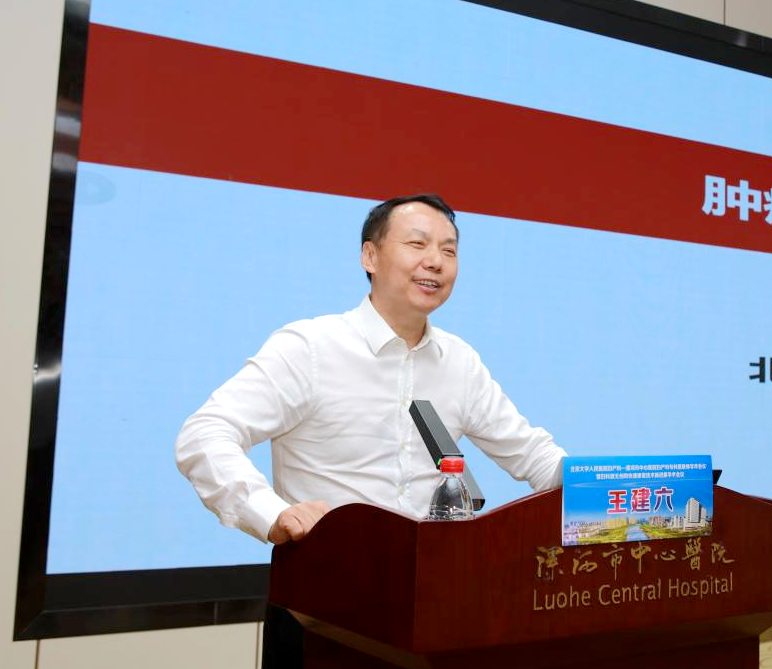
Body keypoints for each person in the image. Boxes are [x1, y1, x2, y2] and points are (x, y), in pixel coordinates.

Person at [175, 194, 567, 668]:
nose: (435, 261)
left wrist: (609, 489)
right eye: (417, 244)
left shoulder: (460, 362)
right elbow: (205, 433)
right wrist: (271, 513)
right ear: (370, 256)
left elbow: (533, 455)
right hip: (322, 609)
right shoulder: (310, 347)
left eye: (448, 250)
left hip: (432, 609)